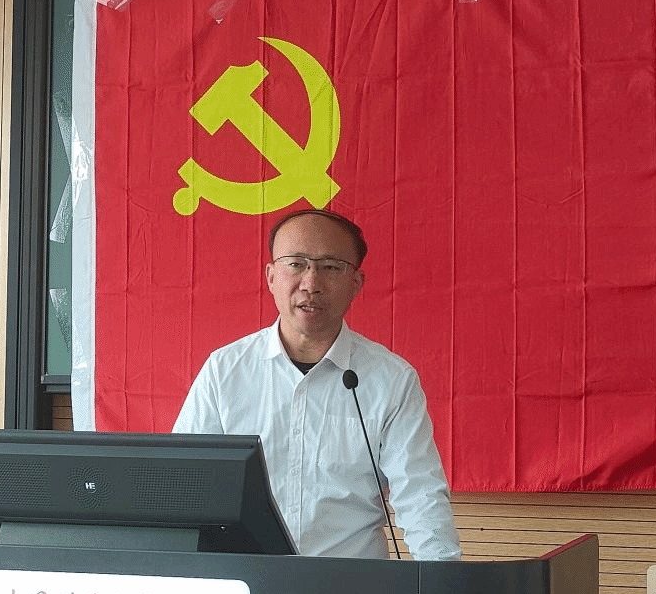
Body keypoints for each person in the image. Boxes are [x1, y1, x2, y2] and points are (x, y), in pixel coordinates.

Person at [173, 208, 462, 561]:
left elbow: (420, 497)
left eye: (331, 267)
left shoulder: (390, 379)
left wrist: (442, 582)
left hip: (350, 583)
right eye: (296, 264)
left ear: (356, 283)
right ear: (271, 277)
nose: (311, 283)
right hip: (244, 581)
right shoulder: (224, 371)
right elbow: (184, 485)